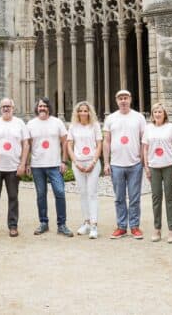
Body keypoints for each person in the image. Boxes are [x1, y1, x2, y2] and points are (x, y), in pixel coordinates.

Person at [103, 89, 147, 239]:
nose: (123, 100)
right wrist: (106, 162)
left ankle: (134, 227)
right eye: (120, 98)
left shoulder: (139, 117)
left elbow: (144, 141)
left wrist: (143, 160)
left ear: (130, 99)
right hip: (116, 164)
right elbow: (106, 141)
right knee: (119, 198)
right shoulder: (110, 118)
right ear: (116, 101)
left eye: (125, 98)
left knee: (135, 198)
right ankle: (121, 227)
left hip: (134, 164)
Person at [26, 97, 73, 237]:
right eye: (40, 106)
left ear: (49, 108)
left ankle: (62, 225)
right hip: (37, 165)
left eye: (45, 106)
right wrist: (27, 163)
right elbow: (27, 145)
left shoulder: (57, 122)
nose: (42, 108)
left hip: (54, 165)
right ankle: (43, 223)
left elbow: (65, 142)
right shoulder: (31, 124)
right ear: (37, 108)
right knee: (41, 195)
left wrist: (64, 161)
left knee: (60, 192)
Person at [0, 98, 30, 237]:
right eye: (3, 106)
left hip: (13, 167)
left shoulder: (20, 123)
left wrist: (23, 164)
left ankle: (13, 226)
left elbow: (26, 144)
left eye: (8, 106)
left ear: (13, 108)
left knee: (13, 197)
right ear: (0, 108)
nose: (6, 108)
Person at [142, 103, 172, 243]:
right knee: (156, 198)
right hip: (154, 167)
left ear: (164, 114)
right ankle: (157, 229)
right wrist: (146, 167)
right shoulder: (148, 128)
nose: (157, 114)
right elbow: (145, 149)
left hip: (169, 165)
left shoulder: (171, 128)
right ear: (152, 114)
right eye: (155, 111)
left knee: (170, 198)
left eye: (160, 111)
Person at [67, 101, 103, 239]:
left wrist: (93, 162)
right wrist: (75, 162)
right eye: (80, 110)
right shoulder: (73, 127)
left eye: (85, 110)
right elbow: (69, 145)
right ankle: (86, 222)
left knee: (92, 193)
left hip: (92, 162)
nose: (83, 113)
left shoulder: (94, 126)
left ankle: (94, 225)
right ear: (77, 112)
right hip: (78, 163)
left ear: (89, 112)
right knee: (82, 193)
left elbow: (99, 144)